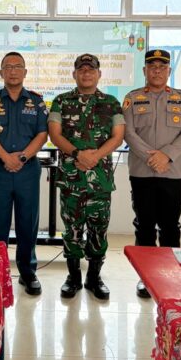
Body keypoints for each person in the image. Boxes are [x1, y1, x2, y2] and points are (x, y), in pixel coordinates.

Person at [48, 54, 125, 300]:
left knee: (98, 229)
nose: (86, 73)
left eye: (91, 70)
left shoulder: (112, 103)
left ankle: (94, 277)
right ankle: (73, 278)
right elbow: (55, 134)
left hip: (100, 179)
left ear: (99, 74)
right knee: (71, 230)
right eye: (81, 70)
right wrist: (77, 154)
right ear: (74, 74)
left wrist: (95, 156)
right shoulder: (60, 101)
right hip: (72, 179)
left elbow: (118, 136)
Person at [123, 49, 181, 298]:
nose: (157, 71)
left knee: (170, 226)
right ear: (144, 71)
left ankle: (171, 275)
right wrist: (151, 158)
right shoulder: (132, 98)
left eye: (162, 67)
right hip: (142, 173)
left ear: (169, 71)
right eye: (152, 66)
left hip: (171, 172)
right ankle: (146, 278)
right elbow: (128, 132)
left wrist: (166, 155)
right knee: (144, 226)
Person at [0, 52, 48, 295]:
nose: (13, 71)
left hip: (27, 170)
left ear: (25, 72)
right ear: (1, 72)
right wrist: (7, 158)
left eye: (18, 67)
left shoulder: (37, 102)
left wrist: (22, 157)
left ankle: (28, 272)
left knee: (28, 222)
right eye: (8, 67)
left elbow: (42, 134)